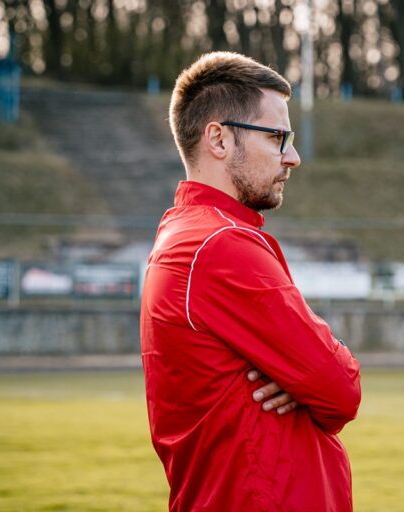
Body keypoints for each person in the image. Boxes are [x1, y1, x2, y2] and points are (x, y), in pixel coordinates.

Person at [140, 52, 362, 511]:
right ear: (218, 139)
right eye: (277, 137)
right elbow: (341, 389)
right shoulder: (220, 244)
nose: (293, 157)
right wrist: (306, 374)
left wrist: (302, 375)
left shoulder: (186, 232)